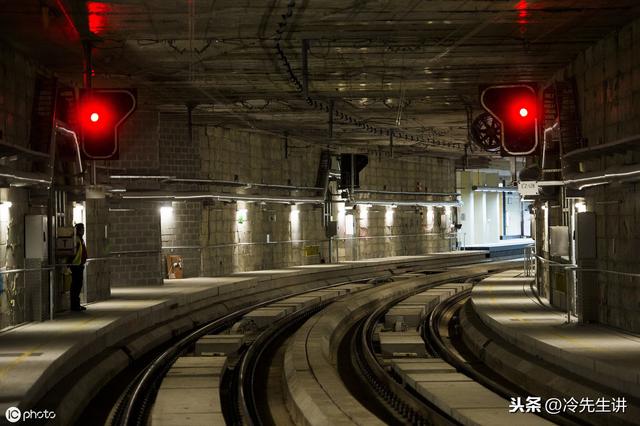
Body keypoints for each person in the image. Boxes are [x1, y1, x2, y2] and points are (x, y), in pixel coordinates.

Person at [70, 223, 88, 311]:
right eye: (82, 229)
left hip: (79, 265)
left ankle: (77, 304)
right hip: (75, 265)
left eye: (84, 229)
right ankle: (74, 305)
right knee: (75, 286)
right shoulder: (76, 239)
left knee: (78, 285)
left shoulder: (80, 239)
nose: (83, 230)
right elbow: (73, 252)